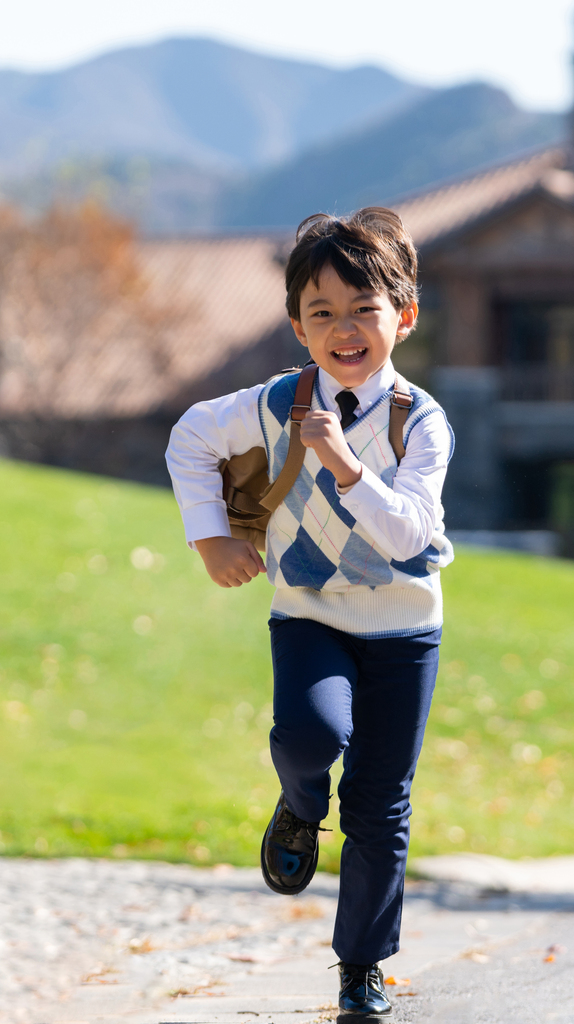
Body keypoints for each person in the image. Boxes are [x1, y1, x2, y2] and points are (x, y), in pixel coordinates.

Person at [166, 208, 454, 1023]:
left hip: (404, 633)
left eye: (365, 308)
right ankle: (298, 806)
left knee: (379, 803)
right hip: (309, 616)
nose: (345, 329)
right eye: (321, 312)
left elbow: (411, 537)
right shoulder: (272, 403)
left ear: (405, 315)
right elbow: (189, 437)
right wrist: (209, 539)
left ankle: (361, 968)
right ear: (297, 325)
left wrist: (344, 463)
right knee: (309, 739)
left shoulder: (419, 420)